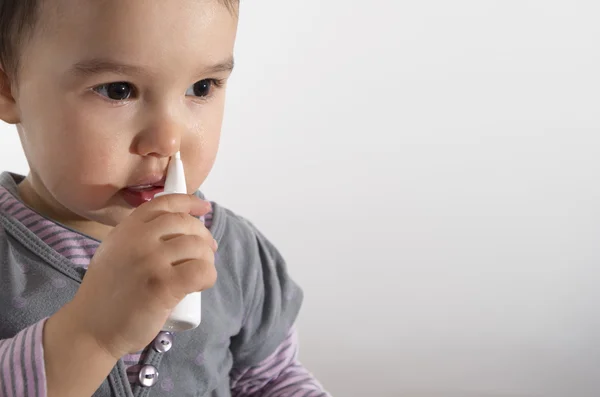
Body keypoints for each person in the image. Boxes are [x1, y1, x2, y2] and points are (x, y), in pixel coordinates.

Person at [0, 1, 330, 396]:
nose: (169, 141)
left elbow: (271, 381)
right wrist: (92, 333)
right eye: (118, 90)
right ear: (9, 89)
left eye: (202, 87)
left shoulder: (236, 254)